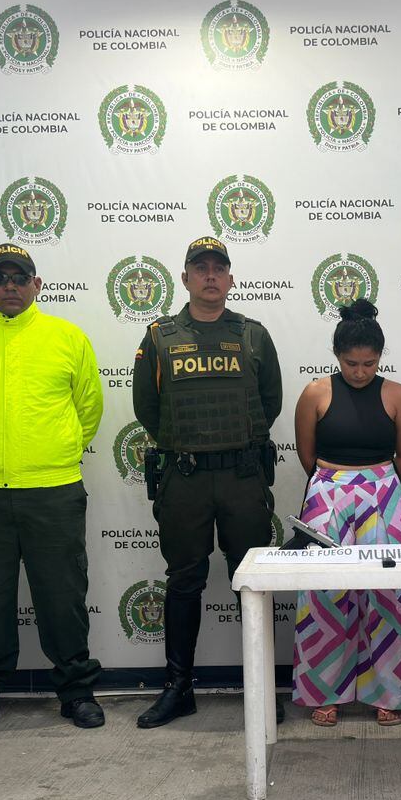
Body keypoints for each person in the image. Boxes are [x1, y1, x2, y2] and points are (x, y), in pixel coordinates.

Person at [0, 244, 105, 737]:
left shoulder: (66, 337)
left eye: (20, 277)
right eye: (0, 277)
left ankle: (76, 693)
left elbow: (89, 409)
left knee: (62, 598)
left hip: (52, 490)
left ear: (37, 284)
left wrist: (55, 451)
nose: (11, 285)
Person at [132, 236, 284, 728]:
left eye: (219, 268)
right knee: (183, 582)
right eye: (201, 268)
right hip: (186, 478)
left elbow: (270, 401)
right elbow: (147, 409)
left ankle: (262, 688)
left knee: (251, 581)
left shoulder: (253, 336)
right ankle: (178, 688)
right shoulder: (159, 337)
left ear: (231, 279)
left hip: (242, 475)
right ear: (185, 278)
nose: (211, 275)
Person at [291, 300, 401, 727]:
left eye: (369, 363)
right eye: (351, 364)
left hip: (385, 493)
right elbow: (307, 455)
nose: (360, 372)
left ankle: (389, 693)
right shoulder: (315, 393)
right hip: (326, 491)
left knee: (389, 595)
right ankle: (325, 693)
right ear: (337, 356)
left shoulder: (397, 395)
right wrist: (337, 484)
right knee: (324, 596)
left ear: (380, 357)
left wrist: (374, 484)